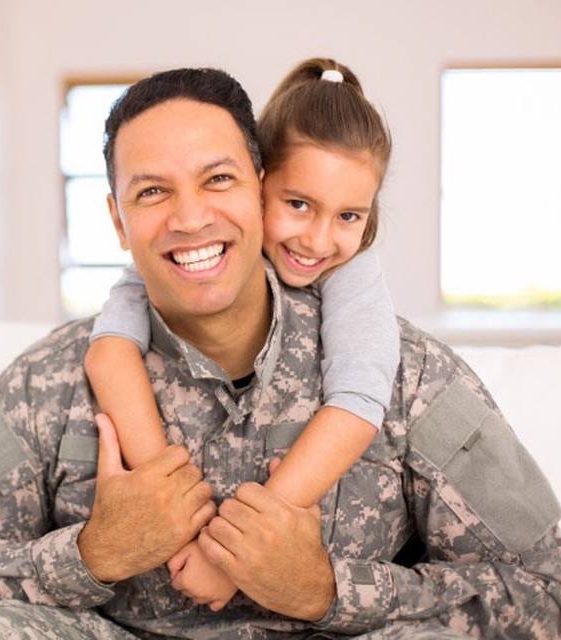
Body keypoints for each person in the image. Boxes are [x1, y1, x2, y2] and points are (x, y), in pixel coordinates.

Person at [0, 65, 561, 638]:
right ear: (117, 222)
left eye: (217, 179)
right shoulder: (51, 380)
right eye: (152, 192)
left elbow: (553, 598)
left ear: (259, 186)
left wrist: (329, 591)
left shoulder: (404, 374)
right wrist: (92, 554)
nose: (190, 218)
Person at [85, 58, 399, 612]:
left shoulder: (353, 275)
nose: (318, 240)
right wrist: (175, 523)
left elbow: (359, 398)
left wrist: (236, 552)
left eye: (350, 217)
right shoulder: (173, 263)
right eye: (297, 204)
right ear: (262, 190)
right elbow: (108, 355)